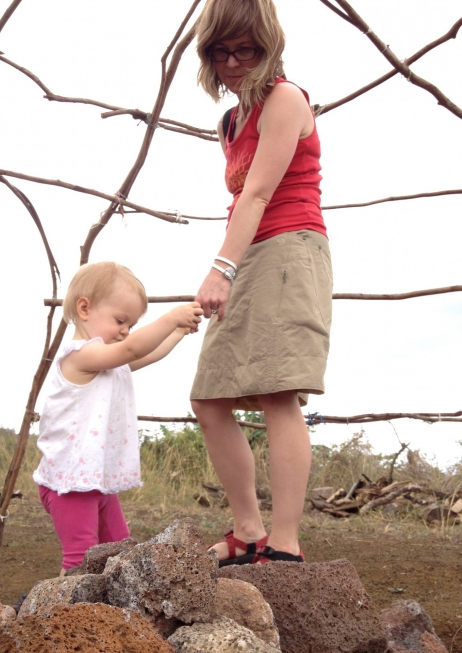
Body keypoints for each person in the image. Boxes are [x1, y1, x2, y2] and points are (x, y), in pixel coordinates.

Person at [191, 0, 333, 565]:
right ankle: (248, 530)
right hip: (248, 252)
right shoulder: (229, 122)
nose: (232, 62)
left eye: (245, 49)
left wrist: (220, 268)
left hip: (290, 247)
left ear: (268, 46)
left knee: (278, 392)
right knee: (208, 397)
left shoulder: (286, 99)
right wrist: (231, 261)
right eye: (220, 51)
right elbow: (239, 204)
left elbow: (258, 194)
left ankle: (286, 542)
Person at [33, 261, 203, 575]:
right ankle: (68, 616)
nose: (126, 331)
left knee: (121, 550)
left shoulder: (110, 360)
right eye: (120, 320)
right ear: (85, 308)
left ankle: (111, 614)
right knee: (79, 561)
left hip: (98, 481)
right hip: (70, 485)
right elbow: (131, 349)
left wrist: (177, 331)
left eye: (131, 325)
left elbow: (143, 353)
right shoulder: (81, 356)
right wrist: (170, 318)